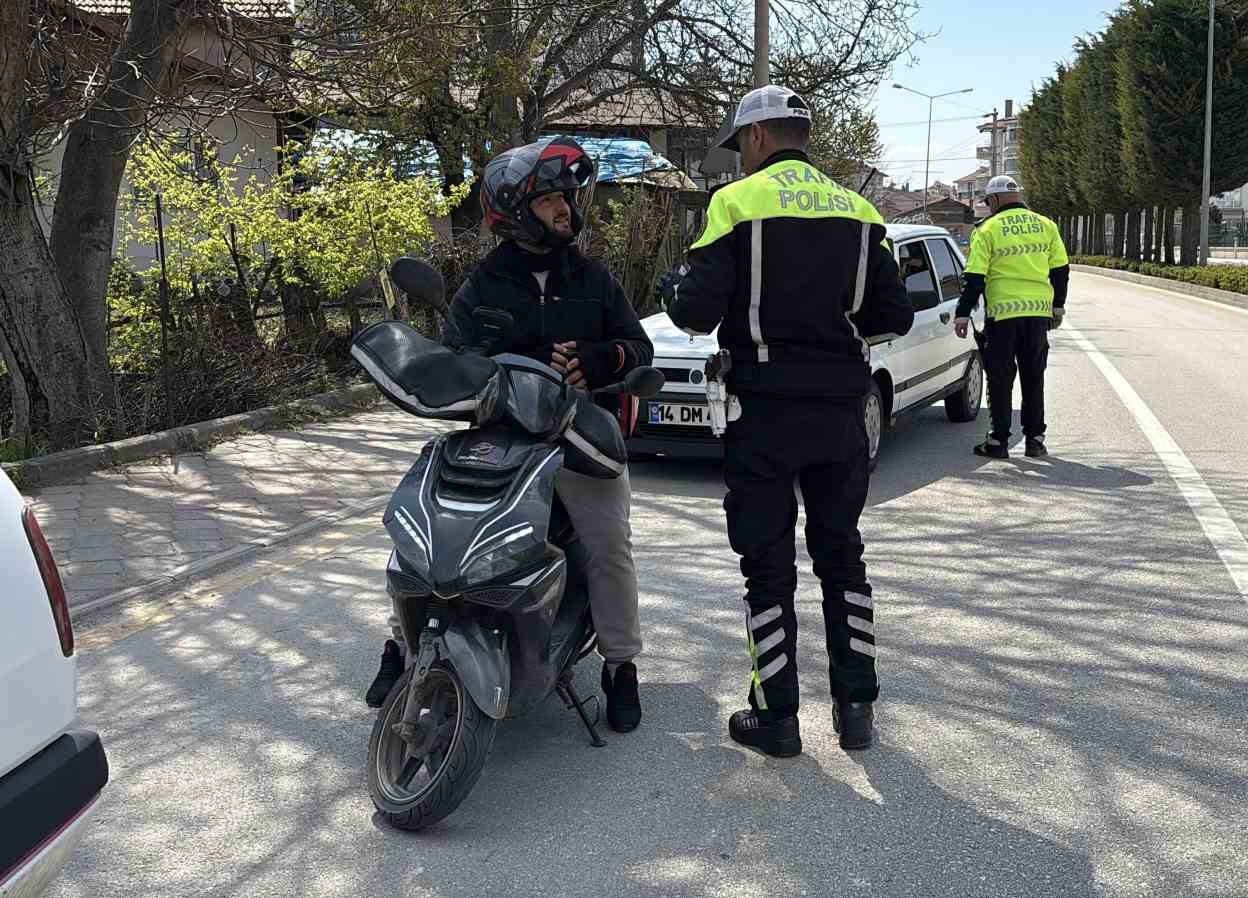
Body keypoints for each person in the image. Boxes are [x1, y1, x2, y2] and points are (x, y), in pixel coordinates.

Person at [365, 137, 654, 734]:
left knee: (607, 540)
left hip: (578, 436)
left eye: (568, 199)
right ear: (516, 212)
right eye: (552, 200)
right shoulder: (484, 282)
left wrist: (601, 360)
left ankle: (621, 664)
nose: (566, 210)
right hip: (497, 434)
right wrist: (500, 363)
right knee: (425, 528)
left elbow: (638, 348)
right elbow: (456, 350)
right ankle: (401, 644)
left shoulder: (594, 278)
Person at [667, 86, 912, 758]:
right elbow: (893, 316)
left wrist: (675, 287)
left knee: (767, 569)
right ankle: (856, 708)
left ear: (755, 139)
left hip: (764, 415)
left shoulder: (735, 203)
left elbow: (692, 312)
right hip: (841, 416)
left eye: (739, 148)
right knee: (843, 557)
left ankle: (776, 719)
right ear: (800, 134)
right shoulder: (859, 211)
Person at [952, 175, 1070, 459]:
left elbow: (975, 276)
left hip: (1003, 316)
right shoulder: (1046, 225)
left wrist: (963, 313)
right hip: (1037, 316)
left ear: (993, 200)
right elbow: (1061, 270)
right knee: (1034, 379)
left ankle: (998, 441)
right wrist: (1057, 307)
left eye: (987, 202)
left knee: (1000, 380)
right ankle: (1035, 441)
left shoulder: (988, 229)